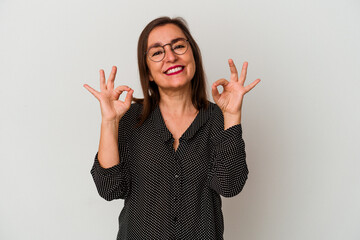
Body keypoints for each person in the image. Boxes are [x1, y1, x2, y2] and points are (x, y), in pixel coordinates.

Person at [84, 16, 260, 240]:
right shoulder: (129, 118)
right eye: (157, 52)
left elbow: (230, 185)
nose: (171, 56)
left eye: (178, 46)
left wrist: (232, 114)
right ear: (147, 71)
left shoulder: (218, 118)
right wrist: (109, 121)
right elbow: (110, 189)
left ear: (193, 56)